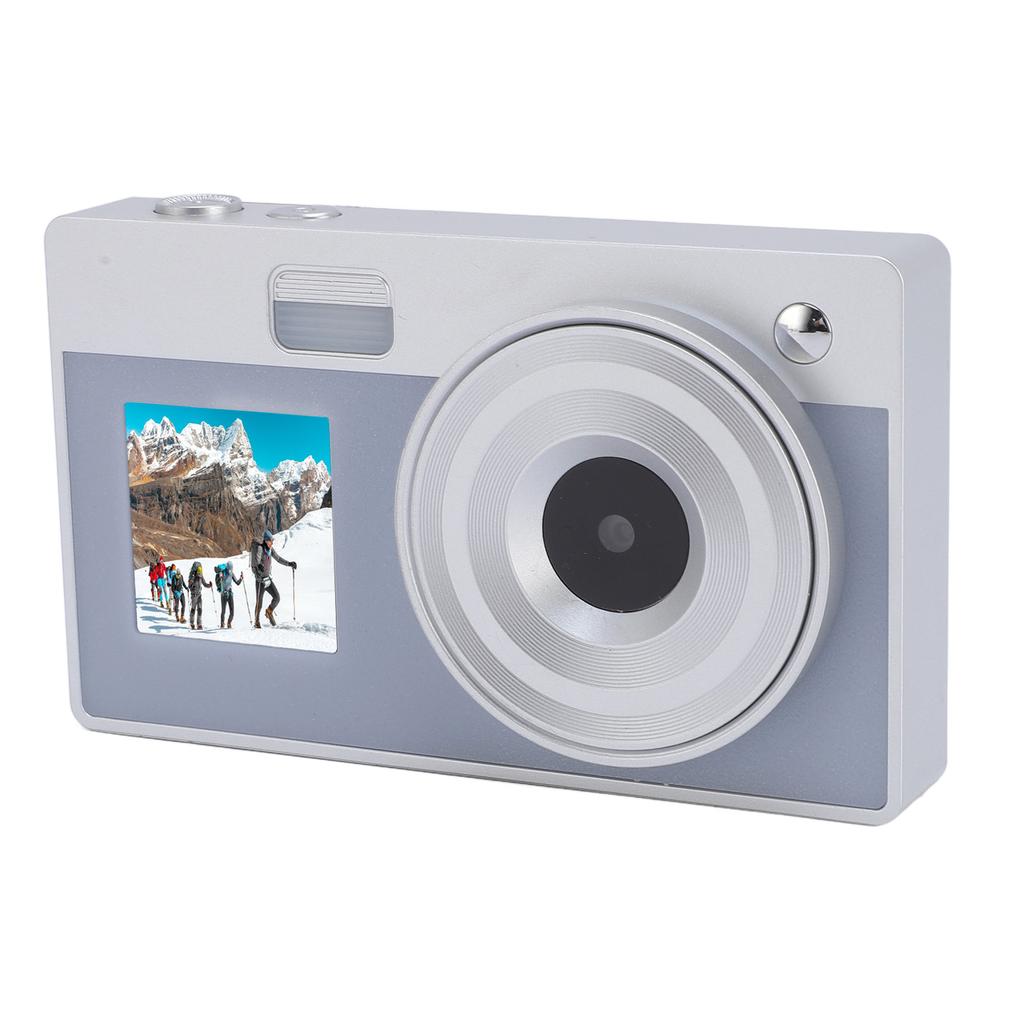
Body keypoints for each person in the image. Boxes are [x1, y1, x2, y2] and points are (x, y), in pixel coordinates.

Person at [251, 529, 297, 628]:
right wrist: (259, 565)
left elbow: (278, 558)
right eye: (271, 541)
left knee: (277, 597)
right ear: (266, 540)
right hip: (260, 581)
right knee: (259, 602)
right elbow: (257, 560)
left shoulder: (270, 549)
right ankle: (256, 622)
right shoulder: (260, 548)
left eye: (272, 541)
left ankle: (269, 611)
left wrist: (289, 563)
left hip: (267, 579)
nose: (272, 543)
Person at [218, 560, 244, 629]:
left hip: (230, 593)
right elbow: (220, 579)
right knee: (223, 611)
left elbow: (237, 583)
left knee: (232, 611)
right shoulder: (222, 572)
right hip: (223, 594)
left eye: (231, 568)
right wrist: (220, 576)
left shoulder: (231, 573)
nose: (230, 570)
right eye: (229, 568)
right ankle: (222, 624)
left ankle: (229, 623)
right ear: (227, 567)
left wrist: (241, 578)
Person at [187, 561, 213, 630]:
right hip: (194, 595)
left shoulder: (201, 576)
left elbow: (204, 584)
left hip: (199, 594)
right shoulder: (192, 576)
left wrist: (209, 585)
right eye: (198, 572)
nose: (199, 573)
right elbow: (189, 586)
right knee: (193, 609)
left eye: (200, 572)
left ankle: (199, 624)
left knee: (200, 609)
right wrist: (192, 584)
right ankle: (192, 623)